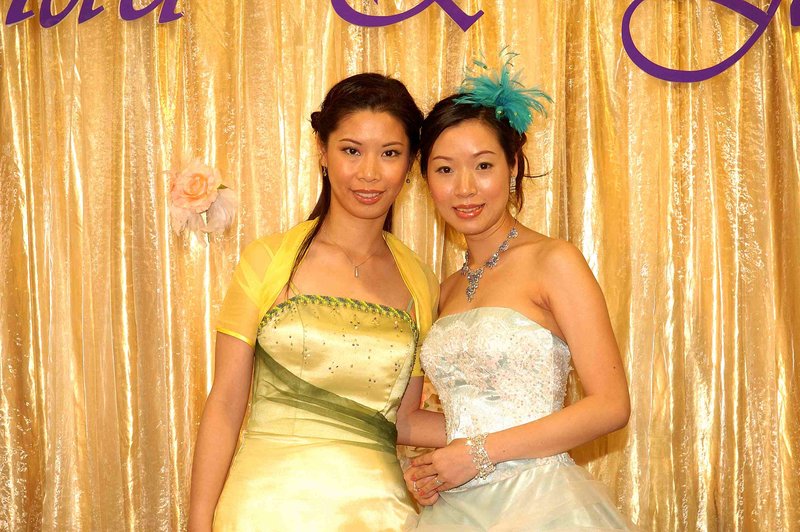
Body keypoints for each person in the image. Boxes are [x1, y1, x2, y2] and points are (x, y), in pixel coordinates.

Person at [188, 73, 445, 531]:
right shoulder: (267, 259)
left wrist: (509, 436)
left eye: (389, 153)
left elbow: (404, 419)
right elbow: (225, 404)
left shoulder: (421, 281)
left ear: (410, 164)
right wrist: (197, 524)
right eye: (352, 151)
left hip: (380, 517)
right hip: (263, 511)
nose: (369, 173)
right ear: (323, 153)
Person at [404, 56, 635, 530]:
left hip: (541, 503)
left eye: (483, 165)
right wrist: (435, 467)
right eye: (445, 169)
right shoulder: (443, 289)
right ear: (427, 181)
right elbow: (453, 418)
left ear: (512, 166)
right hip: (457, 510)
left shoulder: (553, 261)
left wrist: (477, 454)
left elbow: (611, 405)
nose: (465, 188)